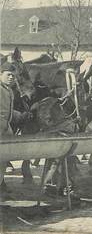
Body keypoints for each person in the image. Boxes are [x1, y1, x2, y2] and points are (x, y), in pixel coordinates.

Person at [0, 63, 30, 198]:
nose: (11, 77)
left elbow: (8, 111)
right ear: (0, 74)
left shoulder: (9, 90)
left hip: (6, 130)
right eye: (8, 75)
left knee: (2, 162)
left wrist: (21, 115)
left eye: (13, 75)